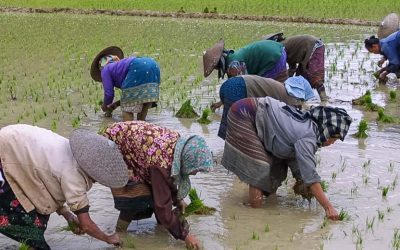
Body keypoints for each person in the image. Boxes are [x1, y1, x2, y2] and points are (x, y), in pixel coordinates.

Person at [0, 124, 130, 249]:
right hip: (8, 153)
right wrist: (107, 238)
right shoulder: (74, 175)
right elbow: (86, 225)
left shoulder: (71, 151)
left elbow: (49, 181)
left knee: (39, 218)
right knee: (26, 224)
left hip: (15, 141)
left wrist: (68, 215)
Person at [221, 97, 352, 220]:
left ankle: (263, 205)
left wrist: (300, 179)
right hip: (244, 114)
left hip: (258, 114)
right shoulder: (308, 136)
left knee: (277, 170)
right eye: (333, 138)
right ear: (327, 130)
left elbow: (294, 157)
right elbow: (311, 176)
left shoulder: (310, 126)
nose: (332, 143)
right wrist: (328, 208)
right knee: (260, 168)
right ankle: (255, 218)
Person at [101, 121, 214, 250]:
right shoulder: (160, 163)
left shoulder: (178, 148)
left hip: (136, 149)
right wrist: (186, 236)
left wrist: (178, 200)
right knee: (138, 193)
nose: (195, 173)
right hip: (112, 148)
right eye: (196, 169)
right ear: (187, 160)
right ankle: (120, 231)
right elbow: (162, 201)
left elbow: (167, 180)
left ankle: (162, 225)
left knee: (158, 192)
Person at [211, 75, 315, 139]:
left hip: (230, 84)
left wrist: (220, 102)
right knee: (234, 130)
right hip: (238, 89)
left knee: (231, 126)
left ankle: (226, 154)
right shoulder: (291, 100)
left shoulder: (279, 86)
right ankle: (228, 158)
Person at [90, 46, 161, 121]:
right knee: (144, 103)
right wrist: (115, 105)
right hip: (153, 65)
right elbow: (134, 95)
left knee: (127, 109)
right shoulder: (120, 66)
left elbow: (109, 94)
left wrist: (105, 106)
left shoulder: (105, 70)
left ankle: (128, 128)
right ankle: (141, 126)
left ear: (101, 66)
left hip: (137, 67)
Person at [264, 33, 327, 101]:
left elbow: (282, 71)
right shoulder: (285, 47)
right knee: (300, 78)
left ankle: (324, 100)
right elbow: (292, 67)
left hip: (314, 46)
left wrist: (283, 83)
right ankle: (301, 101)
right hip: (307, 51)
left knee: (315, 76)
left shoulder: (281, 47)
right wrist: (287, 82)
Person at [203, 39, 288, 82]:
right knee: (281, 86)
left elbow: (245, 86)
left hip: (274, 58)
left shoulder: (234, 65)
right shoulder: (233, 56)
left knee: (261, 90)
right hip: (280, 51)